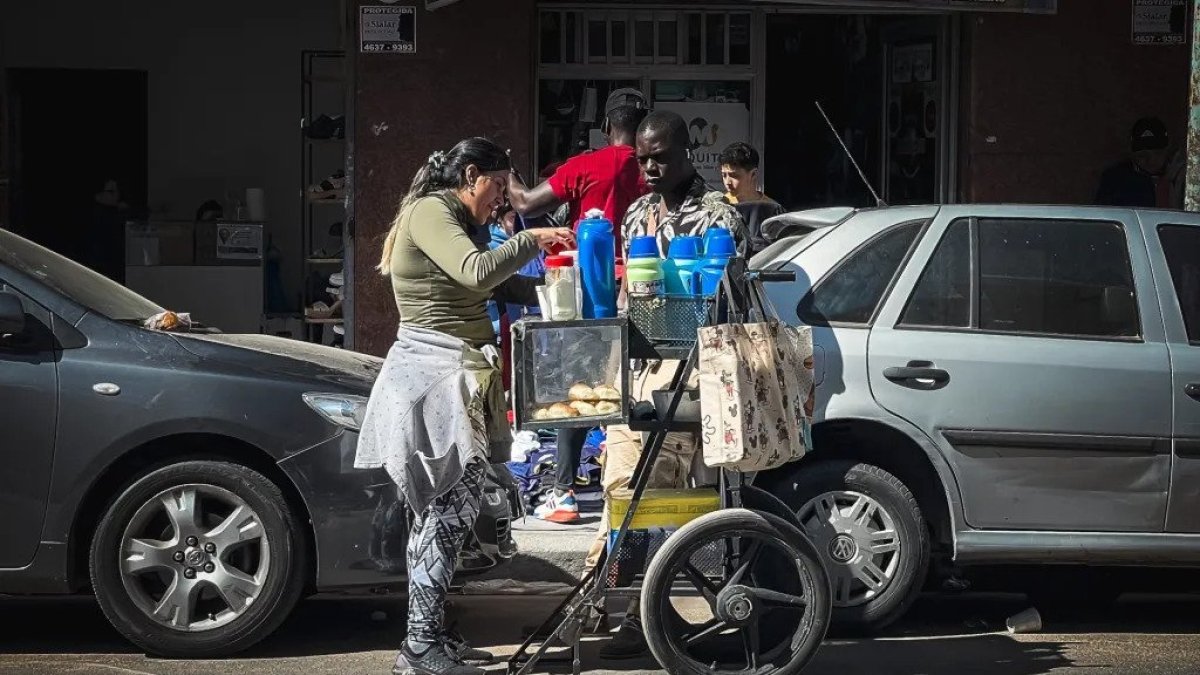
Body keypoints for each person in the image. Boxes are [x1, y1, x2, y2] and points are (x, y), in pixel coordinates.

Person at [354, 137, 573, 675]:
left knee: (440, 516)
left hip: (453, 372)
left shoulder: (453, 216)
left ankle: (427, 639)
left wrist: (555, 280)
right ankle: (421, 646)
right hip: (434, 379)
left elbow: (483, 288)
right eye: (498, 186)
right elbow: (477, 273)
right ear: (470, 175)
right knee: (446, 516)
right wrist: (533, 239)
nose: (502, 199)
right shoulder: (431, 211)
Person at [593, 110, 746, 660]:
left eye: (660, 156)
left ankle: (679, 614)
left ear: (687, 152)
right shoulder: (635, 214)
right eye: (642, 158)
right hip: (635, 375)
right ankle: (631, 614)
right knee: (624, 499)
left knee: (677, 504)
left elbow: (728, 307)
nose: (651, 167)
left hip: (691, 378)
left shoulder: (717, 219)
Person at [507, 89, 651, 524]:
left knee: (580, 387)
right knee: (637, 388)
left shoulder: (587, 165)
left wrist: (509, 173)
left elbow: (526, 203)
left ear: (606, 126)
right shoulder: (655, 168)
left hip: (589, 293)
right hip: (644, 293)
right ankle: (636, 482)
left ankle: (564, 493)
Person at [1095, 116, 1185, 208]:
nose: (1151, 160)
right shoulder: (1115, 179)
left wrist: (1174, 182)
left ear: (1168, 151)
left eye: (1158, 153)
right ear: (1132, 154)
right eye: (1143, 156)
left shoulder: (1182, 175)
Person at [719, 142, 785, 255]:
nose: (727, 182)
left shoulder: (772, 211)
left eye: (734, 176)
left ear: (753, 174)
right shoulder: (719, 206)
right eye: (724, 175)